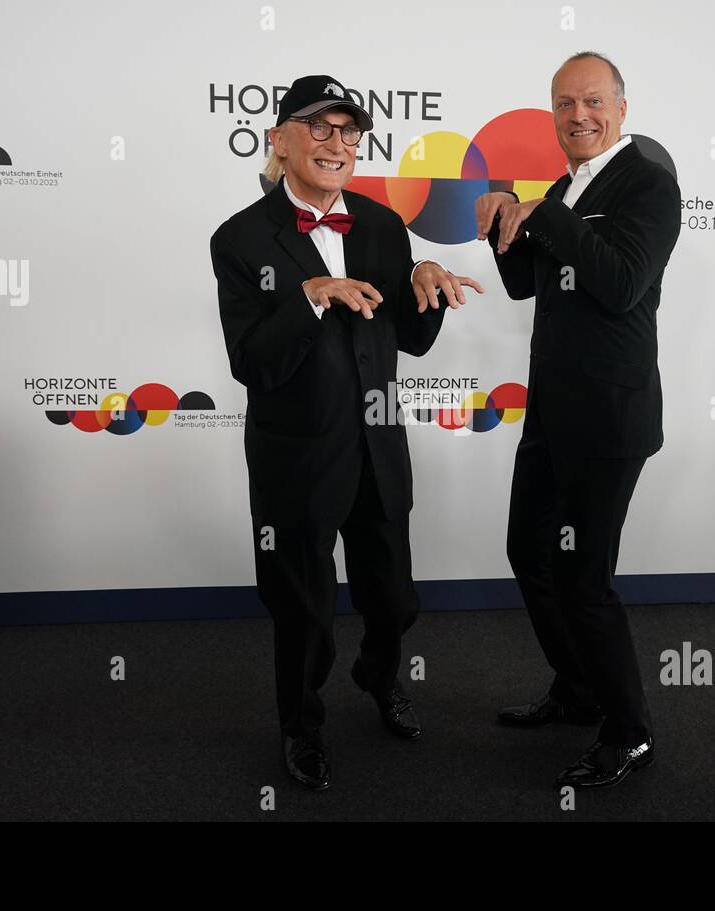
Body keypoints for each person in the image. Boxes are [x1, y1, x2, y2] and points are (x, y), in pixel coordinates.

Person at [210, 74, 483, 790]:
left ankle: (379, 675)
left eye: (348, 131)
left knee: (393, 597)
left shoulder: (382, 225)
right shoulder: (238, 239)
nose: (338, 143)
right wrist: (308, 296)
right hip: (296, 457)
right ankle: (301, 727)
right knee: (304, 614)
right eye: (320, 127)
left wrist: (428, 282)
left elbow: (412, 339)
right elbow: (250, 363)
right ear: (281, 139)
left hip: (378, 445)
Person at [474, 52, 682, 788]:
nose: (578, 116)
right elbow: (529, 281)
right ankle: (577, 686)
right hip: (550, 414)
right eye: (564, 103)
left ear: (622, 109)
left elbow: (622, 284)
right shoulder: (565, 185)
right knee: (526, 551)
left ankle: (631, 731)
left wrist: (549, 216)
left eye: (592, 101)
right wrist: (501, 223)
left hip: (609, 419)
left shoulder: (648, 184)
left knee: (583, 579)